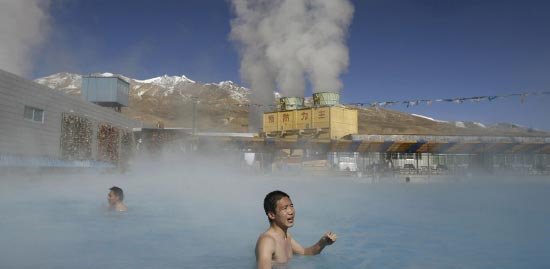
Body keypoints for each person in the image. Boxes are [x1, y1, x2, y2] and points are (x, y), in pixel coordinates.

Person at [255, 190, 337, 269]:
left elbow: (306, 253)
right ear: (272, 215)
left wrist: (323, 242)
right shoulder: (267, 242)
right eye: (285, 208)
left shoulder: (287, 236)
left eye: (291, 206)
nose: (291, 211)